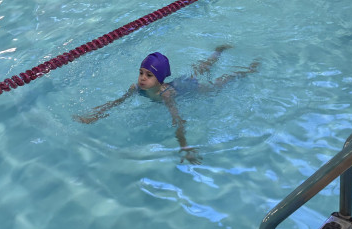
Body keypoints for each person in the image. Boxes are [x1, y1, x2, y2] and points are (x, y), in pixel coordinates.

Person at [74, 45, 259, 164]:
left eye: (149, 75)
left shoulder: (166, 95)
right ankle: (217, 52)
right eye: (141, 72)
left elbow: (178, 120)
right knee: (200, 69)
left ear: (160, 78)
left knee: (217, 85)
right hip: (177, 83)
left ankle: (244, 69)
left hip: (187, 88)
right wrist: (94, 116)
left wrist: (184, 146)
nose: (142, 78)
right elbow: (116, 102)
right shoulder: (136, 88)